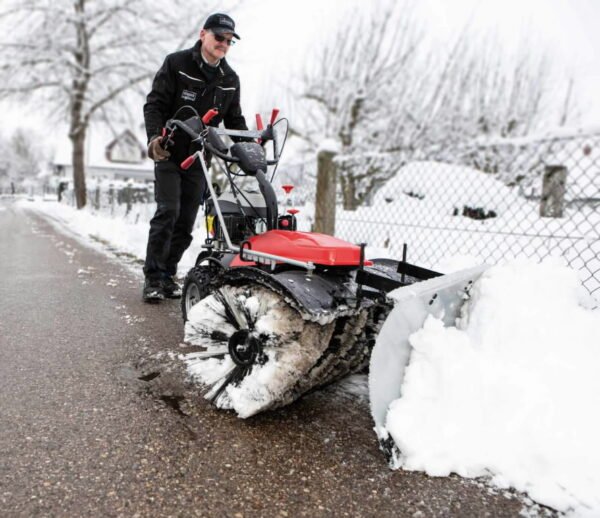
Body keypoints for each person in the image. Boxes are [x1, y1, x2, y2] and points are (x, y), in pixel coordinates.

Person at [142, 13, 247, 302]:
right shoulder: (177, 64)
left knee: (186, 220)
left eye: (229, 41)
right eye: (219, 37)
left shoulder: (230, 79)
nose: (223, 44)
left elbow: (235, 121)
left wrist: (249, 149)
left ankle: (167, 275)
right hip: (169, 151)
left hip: (200, 157)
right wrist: (154, 139)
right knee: (168, 212)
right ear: (203, 34)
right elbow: (154, 105)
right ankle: (152, 277)